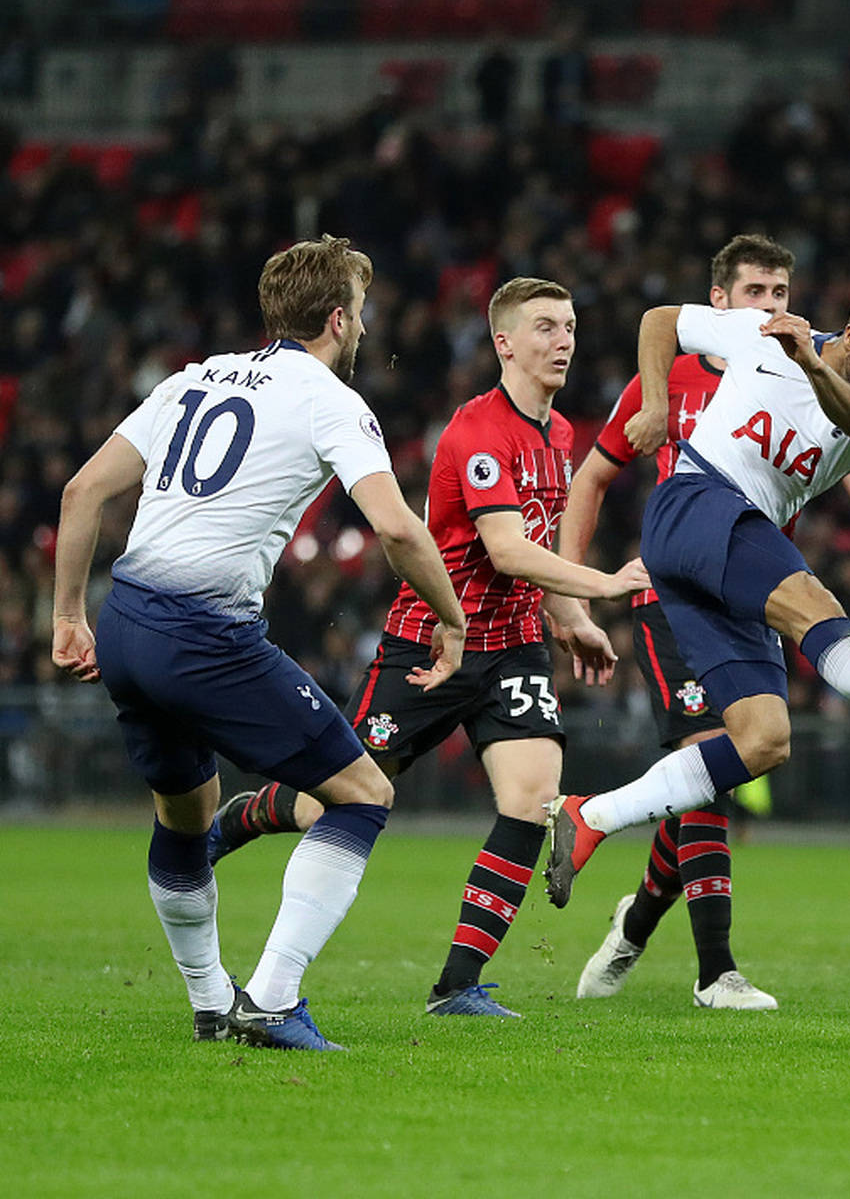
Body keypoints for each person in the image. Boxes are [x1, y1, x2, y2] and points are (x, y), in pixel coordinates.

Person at [49, 235, 467, 1050]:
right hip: (203, 633)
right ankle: (271, 1001)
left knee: (186, 815)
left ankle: (210, 1006)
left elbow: (82, 491)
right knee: (362, 793)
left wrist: (69, 616)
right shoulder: (330, 399)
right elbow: (395, 528)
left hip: (129, 620)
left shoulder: (191, 377)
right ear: (340, 319)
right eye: (362, 312)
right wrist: (451, 619)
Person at [208, 277, 650, 1019]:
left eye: (570, 326)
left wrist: (570, 615)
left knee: (534, 799)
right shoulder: (478, 431)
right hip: (431, 645)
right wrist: (604, 583)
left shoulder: (561, 434)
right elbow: (506, 550)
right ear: (504, 343)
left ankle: (457, 986)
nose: (563, 340)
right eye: (544, 327)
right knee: (335, 803)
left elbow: (536, 546)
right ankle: (254, 813)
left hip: (512, 650)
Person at [541, 286, 850, 907]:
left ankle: (592, 816)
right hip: (697, 501)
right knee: (814, 602)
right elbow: (658, 321)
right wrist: (660, 401)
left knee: (764, 739)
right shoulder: (757, 334)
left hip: (729, 551)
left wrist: (812, 363)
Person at [558, 235, 799, 1010]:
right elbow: (592, 477)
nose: (772, 306)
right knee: (707, 762)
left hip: (751, 593)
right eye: (756, 291)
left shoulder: (798, 376)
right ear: (718, 303)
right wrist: (574, 591)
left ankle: (637, 920)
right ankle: (715, 973)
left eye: (782, 292)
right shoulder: (669, 374)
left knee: (731, 765)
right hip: (673, 595)